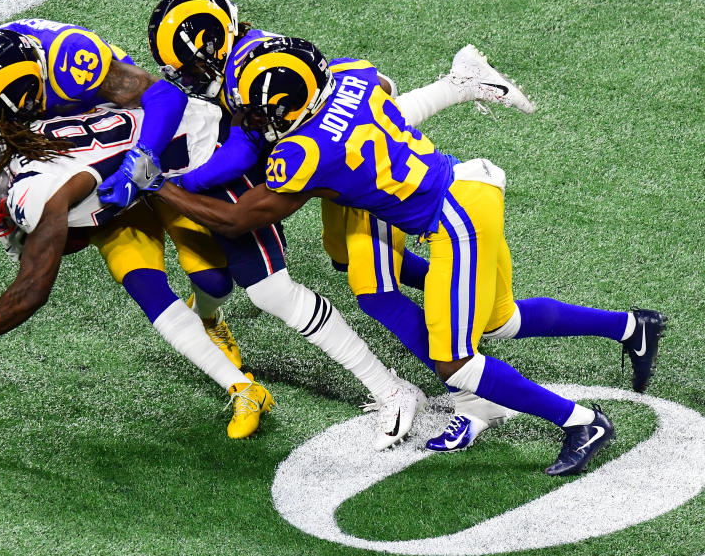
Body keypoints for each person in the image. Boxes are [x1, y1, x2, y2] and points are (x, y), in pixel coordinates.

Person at [148, 36, 666, 475]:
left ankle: (582, 422)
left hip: (455, 221)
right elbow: (387, 100)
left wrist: (160, 188)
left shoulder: (302, 153)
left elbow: (240, 220)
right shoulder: (352, 75)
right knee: (490, 319)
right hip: (459, 190)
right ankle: (632, 327)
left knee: (455, 360)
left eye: (256, 110)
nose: (249, 118)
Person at [145, 0, 538, 451]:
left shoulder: (251, 74)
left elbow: (243, 162)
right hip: (379, 163)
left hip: (399, 188)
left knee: (361, 288)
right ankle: (457, 87)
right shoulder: (260, 55)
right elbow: (379, 90)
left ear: (213, 46)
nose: (185, 77)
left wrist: (179, 183)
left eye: (189, 66)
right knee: (342, 248)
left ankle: (424, 371)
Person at [0, 100, 274, 439]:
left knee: (214, 280)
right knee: (147, 288)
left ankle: (209, 318)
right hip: (123, 198)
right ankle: (243, 388)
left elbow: (32, 291)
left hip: (173, 175)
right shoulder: (21, 142)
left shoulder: (34, 192)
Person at [0, 18, 243, 374]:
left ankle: (208, 316)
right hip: (91, 171)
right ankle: (236, 383)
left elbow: (165, 97)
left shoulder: (70, 59)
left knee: (213, 279)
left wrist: (142, 160)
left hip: (147, 147)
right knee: (141, 281)